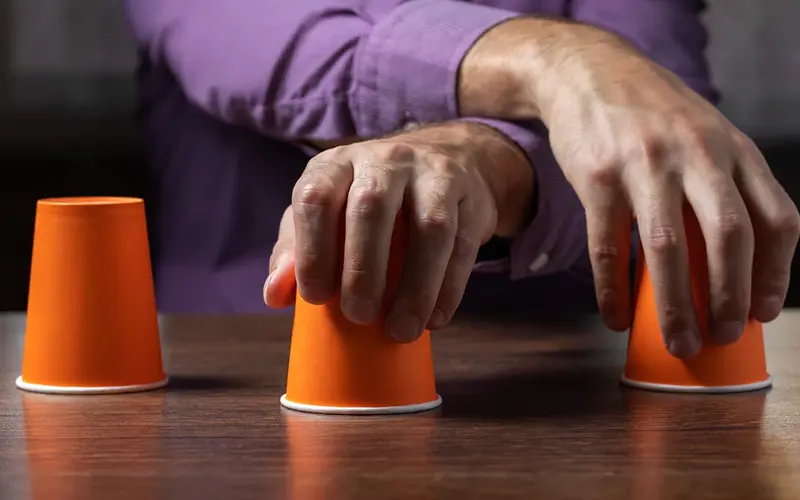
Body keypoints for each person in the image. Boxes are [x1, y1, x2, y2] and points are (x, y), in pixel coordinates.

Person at [123, 0, 799, 359]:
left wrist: (487, 160)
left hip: (566, 409)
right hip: (230, 392)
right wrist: (557, 59)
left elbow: (654, 138)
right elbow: (255, 46)